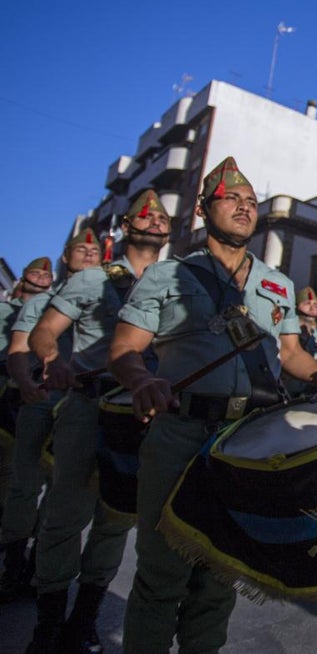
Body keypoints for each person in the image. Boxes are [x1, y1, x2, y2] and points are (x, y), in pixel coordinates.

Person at [107, 158, 317, 653]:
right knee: (162, 576)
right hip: (181, 432)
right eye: (231, 199)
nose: (244, 207)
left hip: (246, 442)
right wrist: (142, 382)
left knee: (220, 579)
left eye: (250, 201)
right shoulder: (167, 276)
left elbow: (291, 356)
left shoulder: (277, 284)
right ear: (203, 210)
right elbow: (124, 351)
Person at [21, 190, 170, 652]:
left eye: (162, 217)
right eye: (144, 216)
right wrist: (53, 360)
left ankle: (82, 620)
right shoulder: (90, 281)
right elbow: (45, 332)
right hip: (89, 404)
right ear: (126, 227)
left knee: (114, 520)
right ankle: (47, 623)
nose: (154, 221)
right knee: (65, 516)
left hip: (140, 413)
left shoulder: (177, 281)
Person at [0, 232, 102, 603]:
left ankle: (42, 564)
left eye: (94, 250)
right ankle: (13, 564)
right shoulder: (44, 301)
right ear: (66, 257)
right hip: (43, 398)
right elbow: (17, 349)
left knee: (63, 495)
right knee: (24, 484)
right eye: (81, 249)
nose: (89, 254)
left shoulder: (108, 298)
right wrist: (26, 384)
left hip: (81, 402)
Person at [0, 258, 54, 524]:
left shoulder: (54, 310)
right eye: (35, 274)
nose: (42, 278)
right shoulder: (5, 310)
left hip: (33, 390)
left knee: (17, 469)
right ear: (22, 278)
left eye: (46, 276)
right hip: (6, 383)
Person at [284, 286, 317, 396]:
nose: (312, 308)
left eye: (315, 305)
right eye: (307, 304)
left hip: (310, 396)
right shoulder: (286, 333)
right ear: (296, 306)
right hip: (287, 393)